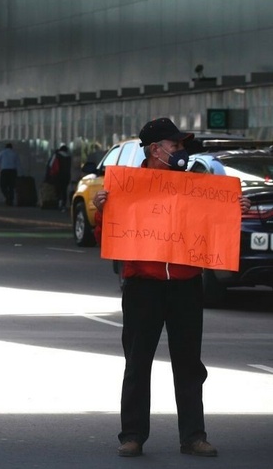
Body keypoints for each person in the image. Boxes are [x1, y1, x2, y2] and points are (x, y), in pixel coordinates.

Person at [92, 118, 249, 459]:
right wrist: (104, 210)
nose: (182, 152)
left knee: (189, 363)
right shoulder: (125, 188)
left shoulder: (196, 186)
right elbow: (107, 240)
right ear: (155, 150)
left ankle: (193, 436)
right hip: (142, 287)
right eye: (176, 146)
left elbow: (216, 228)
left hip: (185, 286)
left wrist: (234, 211)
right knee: (137, 362)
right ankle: (132, 435)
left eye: (181, 146)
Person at [45, 144, 72, 211]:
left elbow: (51, 165)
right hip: (66, 176)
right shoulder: (69, 157)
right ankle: (63, 204)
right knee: (64, 190)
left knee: (57, 189)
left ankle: (58, 203)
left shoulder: (57, 155)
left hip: (57, 175)